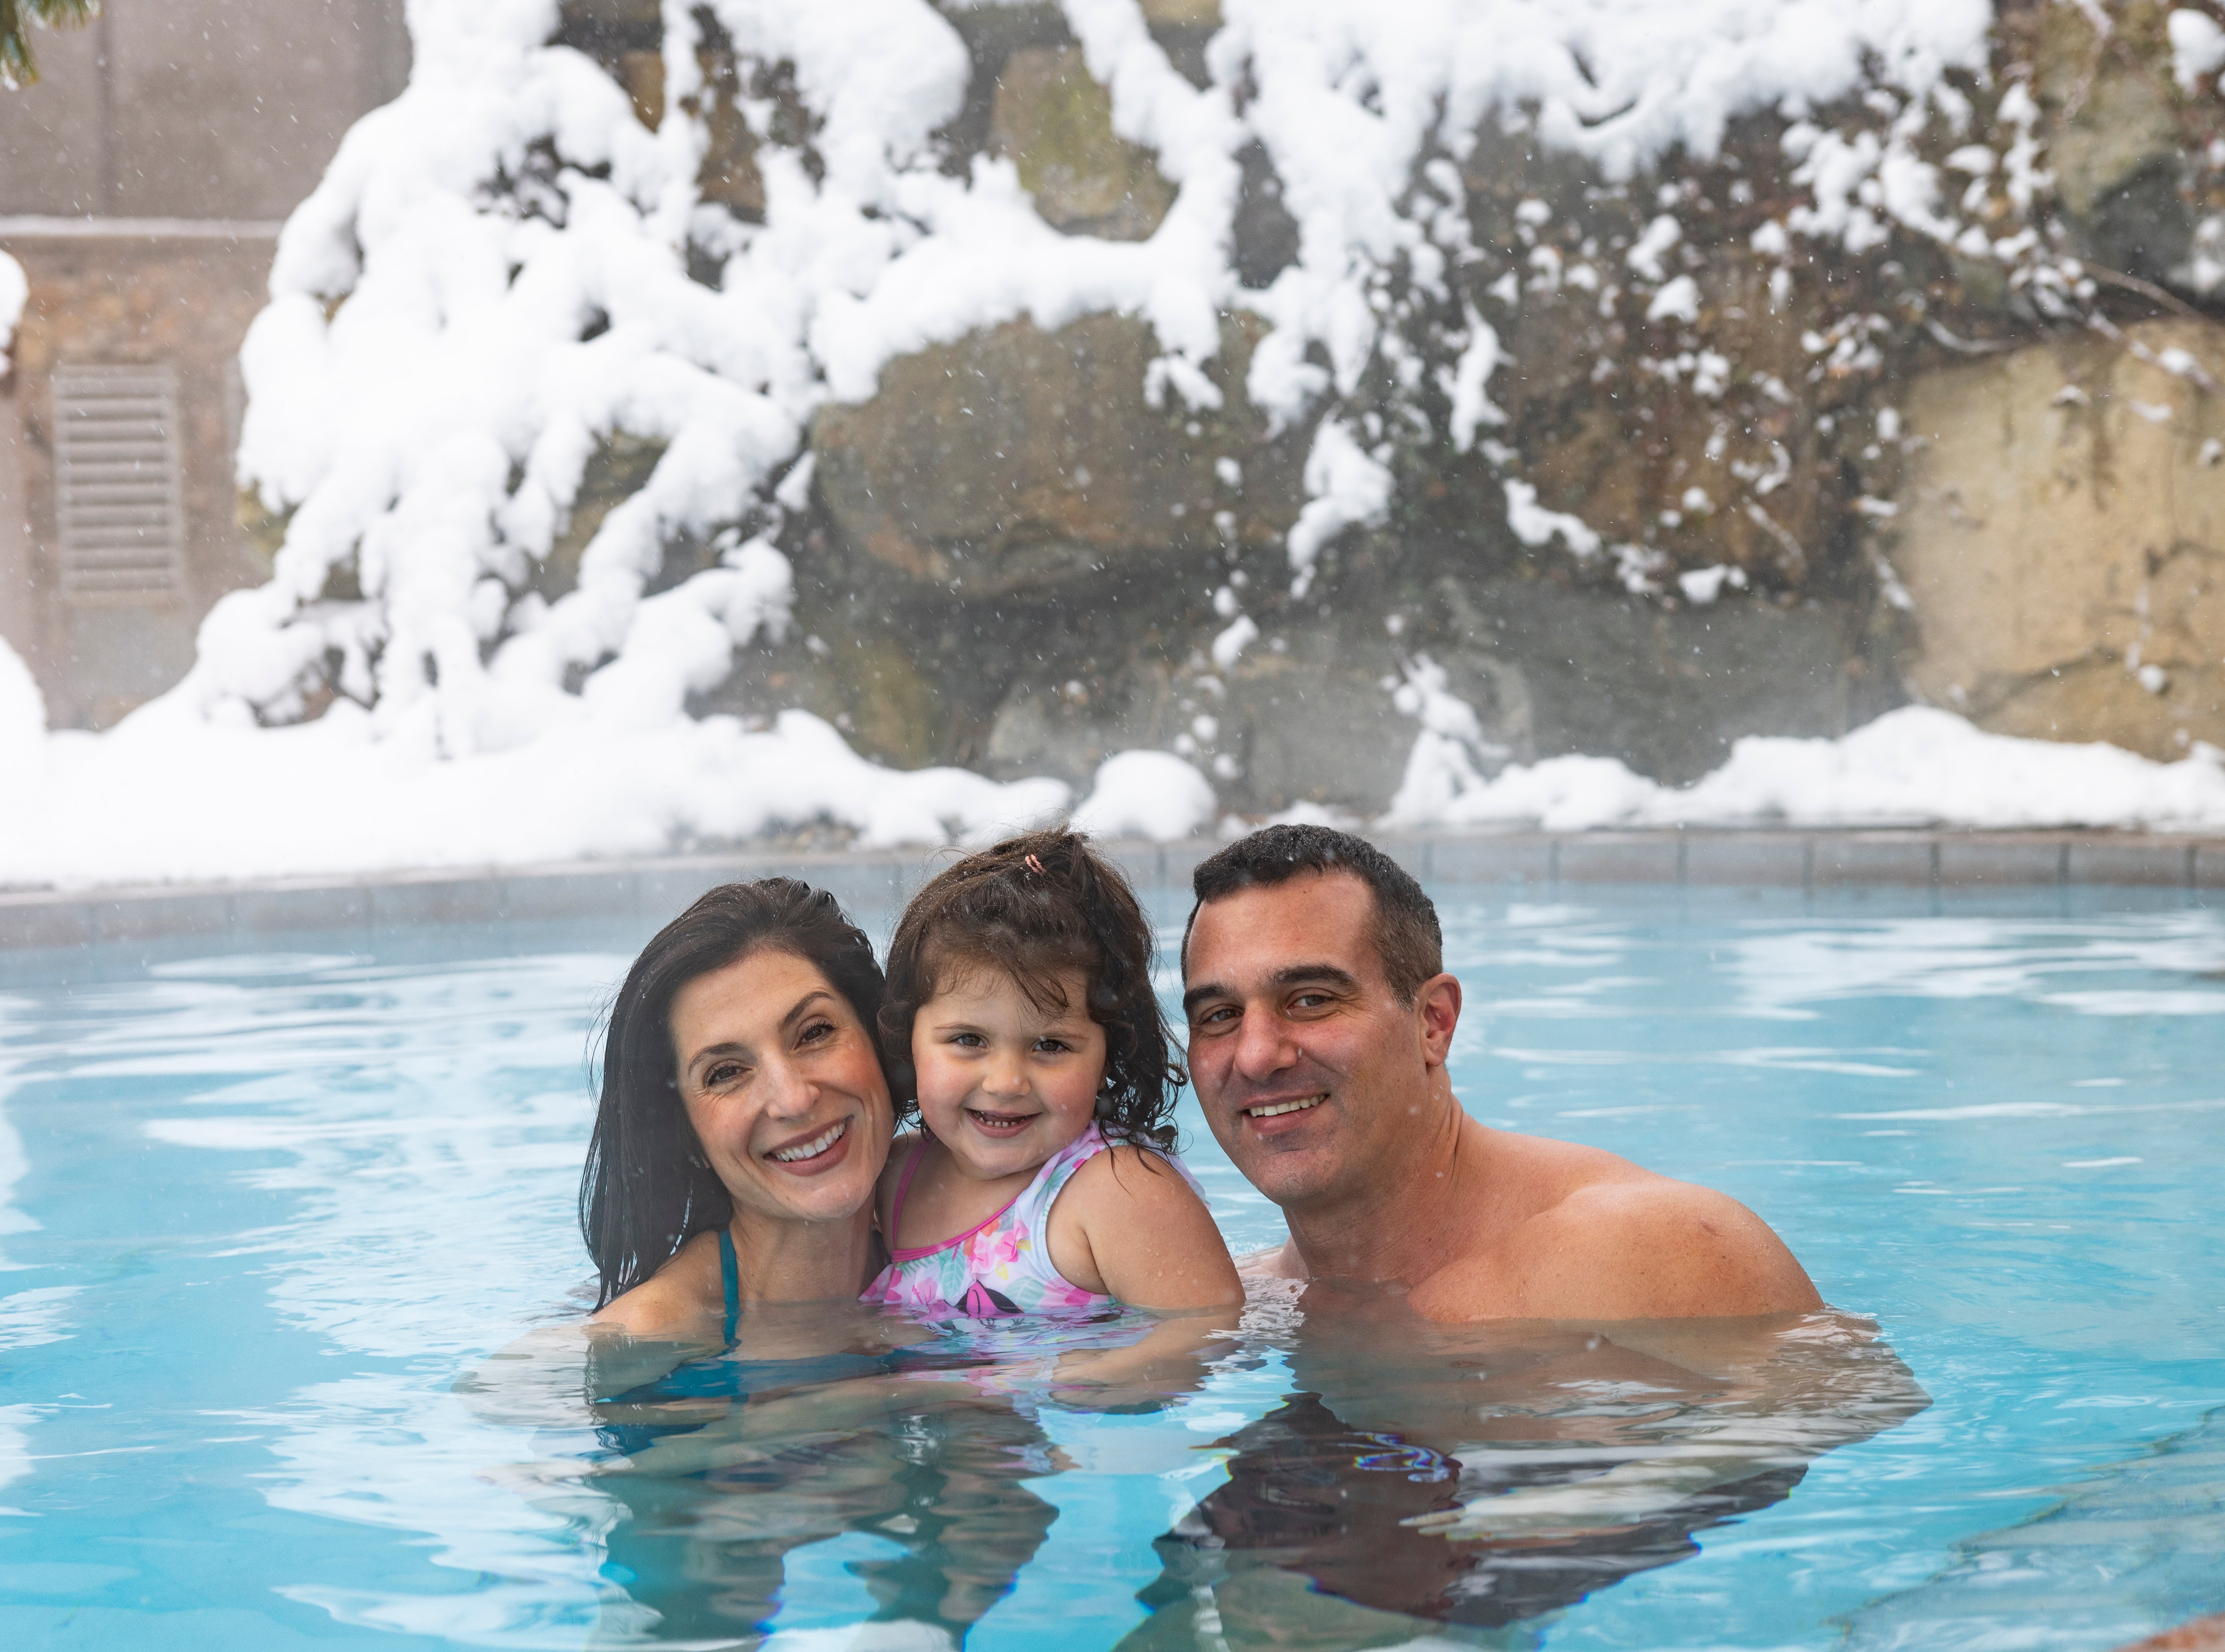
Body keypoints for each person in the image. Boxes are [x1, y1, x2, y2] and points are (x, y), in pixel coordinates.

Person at [1179, 822, 1823, 1320]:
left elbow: (1833, 1428)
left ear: (1432, 1022)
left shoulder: (1653, 1249)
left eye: (1311, 1000)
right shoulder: (1250, 1301)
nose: (1256, 1054)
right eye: (1219, 1015)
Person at [864, 829, 1244, 1318]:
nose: (1005, 1082)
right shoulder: (896, 1175)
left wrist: (1059, 1380)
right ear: (908, 1039)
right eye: (969, 1040)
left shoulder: (1116, 1189)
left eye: (1050, 1045)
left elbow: (1207, 1334)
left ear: (1109, 1053)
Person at [582, 877, 897, 1340]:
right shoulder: (647, 1335)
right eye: (726, 1073)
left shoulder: (986, 1241)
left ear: (880, 1042)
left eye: (814, 1033)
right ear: (684, 1133)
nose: (793, 1099)